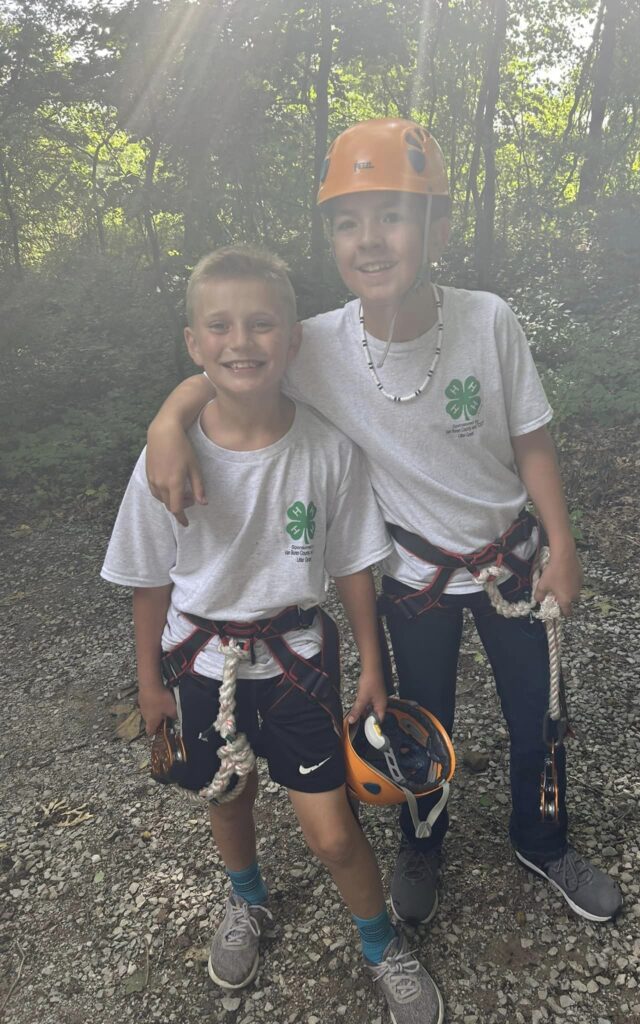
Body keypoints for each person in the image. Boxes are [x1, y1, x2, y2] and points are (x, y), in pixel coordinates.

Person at [144, 120, 623, 928]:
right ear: (332, 238)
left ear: (435, 228)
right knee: (410, 717)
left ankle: (542, 841)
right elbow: (227, 369)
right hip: (413, 579)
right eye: (347, 222)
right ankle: (422, 842)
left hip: (512, 559)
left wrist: (564, 542)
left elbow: (531, 440)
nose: (370, 240)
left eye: (393, 216)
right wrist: (168, 423)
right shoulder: (320, 344)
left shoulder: (488, 321)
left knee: (539, 708)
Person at [101, 245, 444, 1024]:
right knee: (228, 795)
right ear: (194, 344)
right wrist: (150, 683)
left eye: (261, 324)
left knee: (331, 833)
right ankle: (247, 902)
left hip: (295, 664)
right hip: (197, 663)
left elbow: (355, 562)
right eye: (218, 326)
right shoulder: (165, 461)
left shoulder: (326, 449)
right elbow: (150, 580)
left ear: (292, 340)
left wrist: (370, 662)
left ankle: (381, 943)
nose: (240, 341)